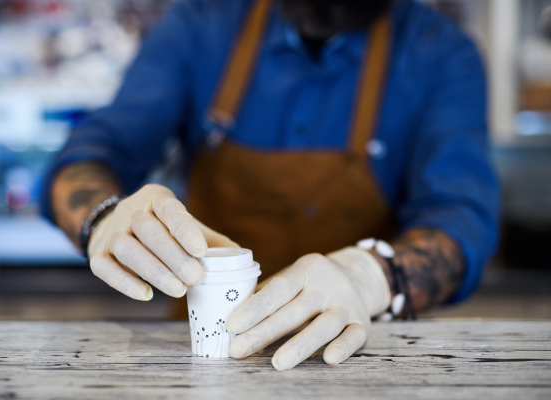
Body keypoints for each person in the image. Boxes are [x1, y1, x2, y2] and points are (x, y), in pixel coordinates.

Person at [41, 0, 499, 371]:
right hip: (204, 368)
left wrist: (370, 278)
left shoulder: (440, 53)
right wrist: (103, 216)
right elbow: (94, 152)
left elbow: (461, 216)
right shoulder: (201, 24)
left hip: (355, 363)